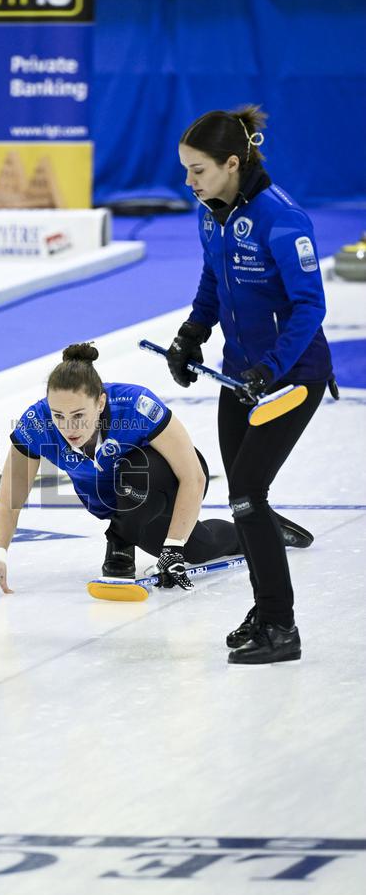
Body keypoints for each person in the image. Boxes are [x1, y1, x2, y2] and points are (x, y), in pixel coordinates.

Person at [168, 105, 335, 665]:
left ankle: (281, 627)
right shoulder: (210, 212)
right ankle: (266, 611)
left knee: (247, 493)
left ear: (232, 162)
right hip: (239, 376)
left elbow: (311, 306)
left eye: (198, 171)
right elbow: (215, 278)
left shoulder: (282, 219)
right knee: (243, 501)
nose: (189, 182)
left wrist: (273, 367)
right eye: (186, 170)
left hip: (291, 379)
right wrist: (192, 333)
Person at [0, 342, 245, 599]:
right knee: (200, 548)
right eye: (58, 415)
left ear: (100, 403)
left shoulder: (135, 405)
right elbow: (8, 502)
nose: (68, 428)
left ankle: (120, 544)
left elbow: (193, 476)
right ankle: (251, 532)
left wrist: (173, 547)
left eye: (78, 416)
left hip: (167, 482)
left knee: (134, 473)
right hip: (119, 504)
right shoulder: (36, 425)